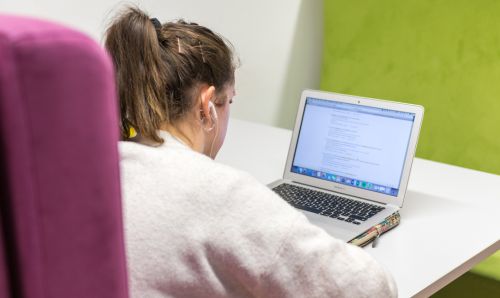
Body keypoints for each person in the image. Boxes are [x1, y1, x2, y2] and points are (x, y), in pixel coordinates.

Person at [105, 6, 397, 298]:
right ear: (207, 107)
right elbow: (372, 288)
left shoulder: (102, 167)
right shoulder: (218, 193)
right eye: (229, 102)